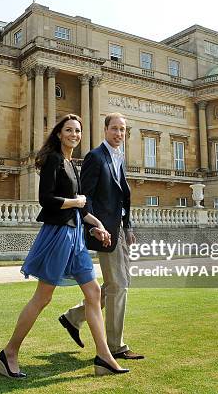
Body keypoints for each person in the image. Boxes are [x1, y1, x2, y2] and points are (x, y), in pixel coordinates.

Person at [0, 114, 129, 378]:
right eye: (69, 130)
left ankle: (104, 356)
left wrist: (96, 224)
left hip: (77, 233)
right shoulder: (54, 160)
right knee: (43, 297)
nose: (74, 135)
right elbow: (46, 199)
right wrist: (76, 203)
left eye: (78, 131)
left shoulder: (72, 163)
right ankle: (9, 353)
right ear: (59, 133)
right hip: (58, 234)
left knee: (93, 293)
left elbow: (80, 206)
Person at [59, 112, 144, 361]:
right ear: (105, 130)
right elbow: (87, 197)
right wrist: (96, 226)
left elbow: (123, 198)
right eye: (115, 129)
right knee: (119, 286)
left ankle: (73, 317)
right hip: (105, 231)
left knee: (115, 284)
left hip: (119, 228)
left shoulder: (119, 157)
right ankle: (116, 346)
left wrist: (128, 227)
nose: (119, 134)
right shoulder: (96, 157)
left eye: (123, 130)